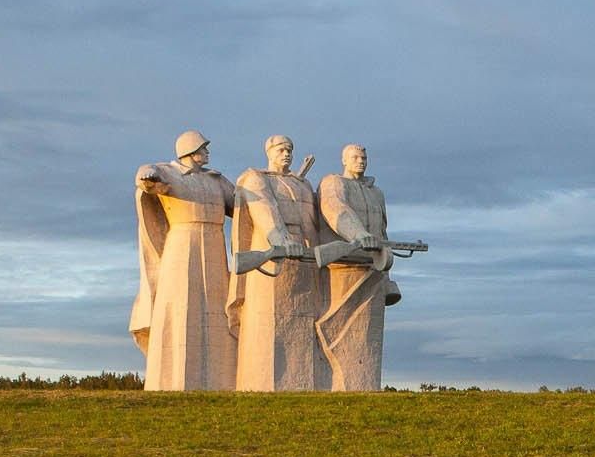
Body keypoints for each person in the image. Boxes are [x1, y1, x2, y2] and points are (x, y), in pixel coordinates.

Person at [132, 131, 238, 390]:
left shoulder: (216, 180)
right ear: (190, 150)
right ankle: (174, 379)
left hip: (214, 243)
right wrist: (147, 177)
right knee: (181, 307)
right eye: (203, 147)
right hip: (182, 244)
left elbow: (240, 205)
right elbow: (147, 177)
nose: (207, 152)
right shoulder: (169, 172)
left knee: (217, 310)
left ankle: (221, 380)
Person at [228, 135, 327, 391]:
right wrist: (281, 239)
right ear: (269, 152)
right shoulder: (255, 178)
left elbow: (311, 223)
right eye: (282, 149)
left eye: (290, 150)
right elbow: (265, 213)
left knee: (301, 324)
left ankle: (302, 384)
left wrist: (317, 254)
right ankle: (262, 385)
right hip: (270, 251)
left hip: (301, 256)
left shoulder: (301, 184)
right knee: (267, 324)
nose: (287, 154)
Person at [315, 143, 398, 391]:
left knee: (367, 339)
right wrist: (358, 234)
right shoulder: (333, 183)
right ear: (344, 160)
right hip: (344, 269)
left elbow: (382, 231)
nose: (360, 161)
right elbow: (335, 210)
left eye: (363, 157)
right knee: (338, 335)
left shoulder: (376, 193)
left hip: (372, 271)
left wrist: (386, 271)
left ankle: (365, 386)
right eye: (355, 157)